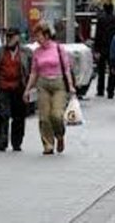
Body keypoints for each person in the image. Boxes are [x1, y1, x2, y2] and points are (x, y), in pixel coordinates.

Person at [23, 22, 76, 155]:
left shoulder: (58, 48)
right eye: (35, 36)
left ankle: (60, 135)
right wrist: (27, 90)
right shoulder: (36, 52)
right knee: (44, 117)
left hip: (58, 84)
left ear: (46, 35)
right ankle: (48, 144)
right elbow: (34, 72)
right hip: (43, 84)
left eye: (39, 36)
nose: (36, 39)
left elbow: (67, 69)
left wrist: (70, 86)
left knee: (56, 115)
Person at [0, 27, 28, 152]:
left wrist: (29, 87)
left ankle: (17, 142)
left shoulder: (25, 53)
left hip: (19, 88)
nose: (8, 39)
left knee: (19, 116)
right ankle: (2, 141)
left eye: (11, 37)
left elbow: (30, 71)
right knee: (4, 115)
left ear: (18, 38)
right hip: (3, 88)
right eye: (7, 37)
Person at [94, 4, 115, 98]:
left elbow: (98, 35)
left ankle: (100, 90)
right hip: (113, 48)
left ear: (104, 10)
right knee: (113, 69)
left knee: (101, 70)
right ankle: (111, 91)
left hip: (102, 47)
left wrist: (96, 49)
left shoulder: (101, 20)